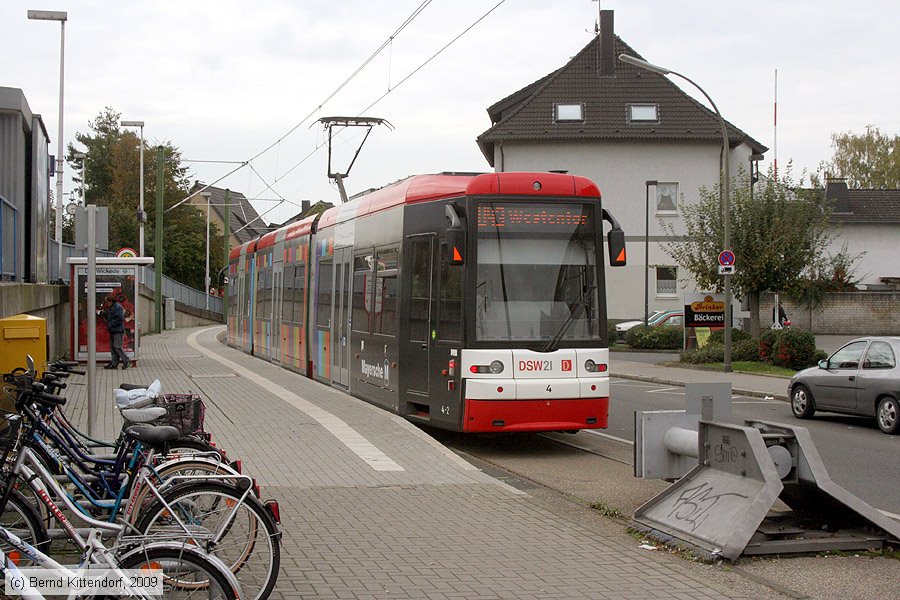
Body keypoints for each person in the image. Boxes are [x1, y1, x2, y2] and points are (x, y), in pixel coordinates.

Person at [102, 293, 130, 369]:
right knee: (113, 348)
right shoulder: (111, 308)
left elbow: (120, 319)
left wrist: (110, 324)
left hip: (118, 330)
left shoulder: (117, 307)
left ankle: (126, 360)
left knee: (117, 346)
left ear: (111, 301)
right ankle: (114, 363)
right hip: (113, 330)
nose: (107, 304)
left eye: (107, 302)